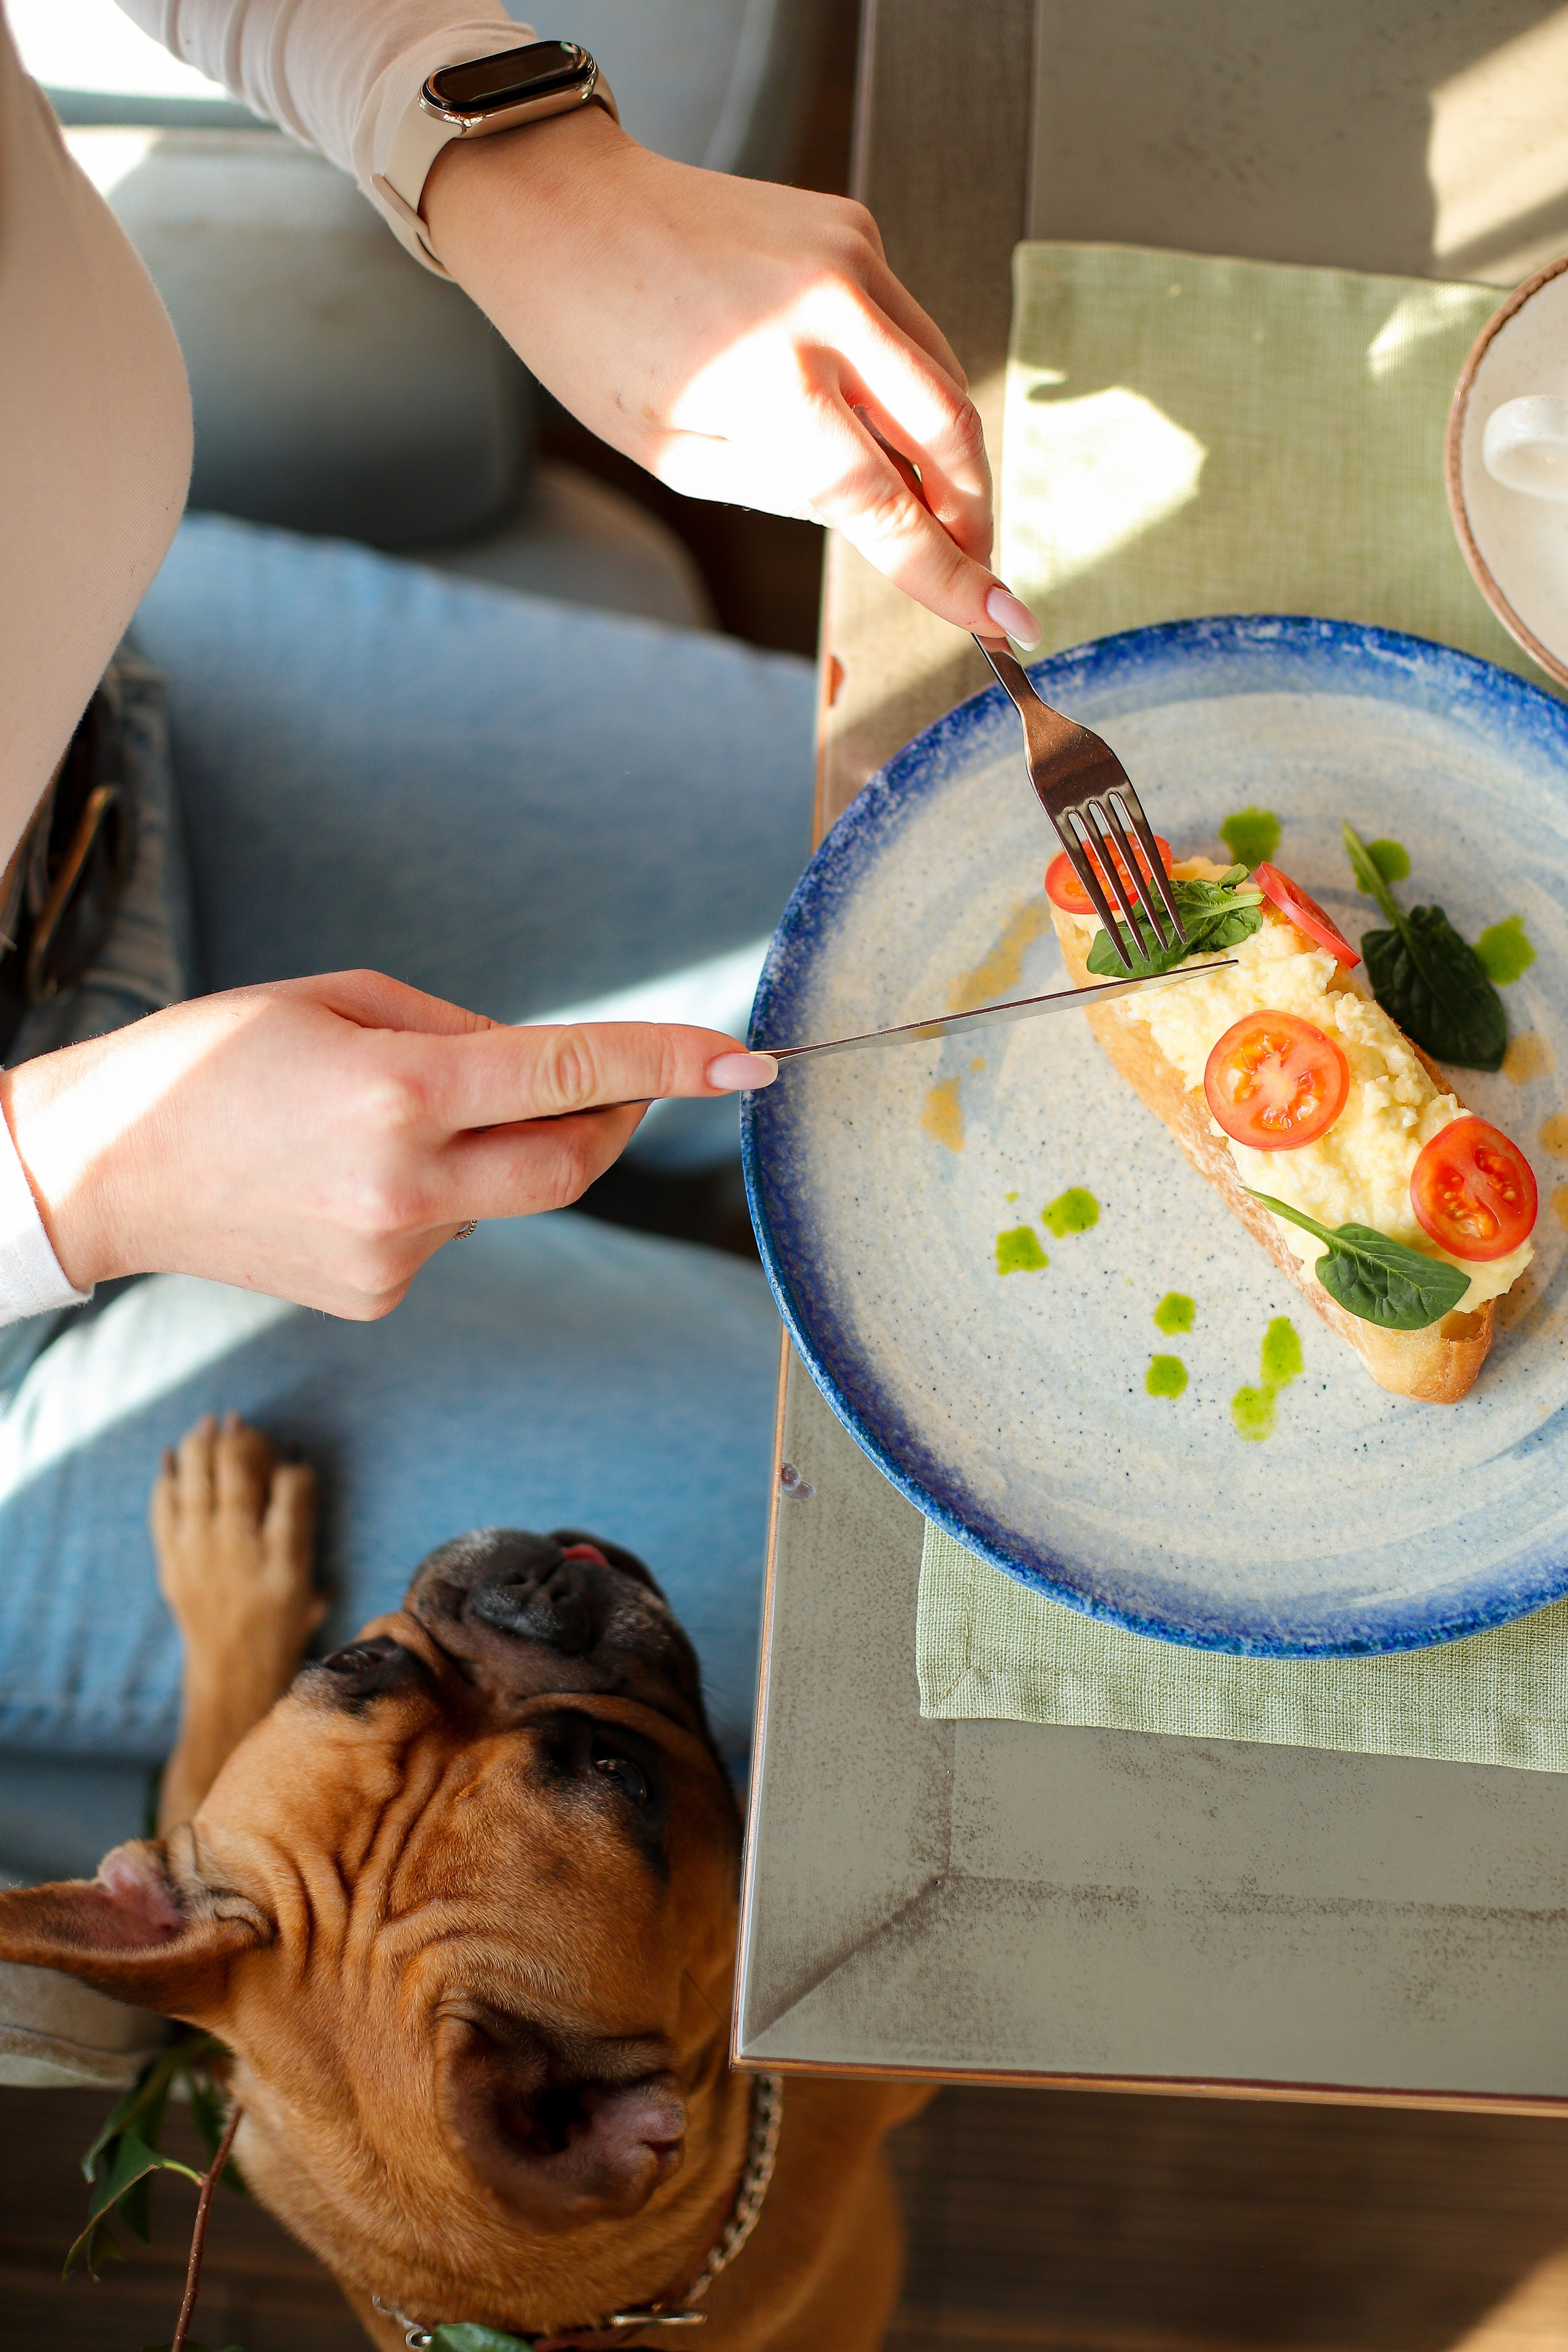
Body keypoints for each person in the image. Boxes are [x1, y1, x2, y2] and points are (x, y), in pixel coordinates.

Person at [0, 0, 1039, 1845]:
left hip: (144, 736)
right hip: (29, 1357)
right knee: (996, 1537)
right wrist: (69, 1183)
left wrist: (494, 146)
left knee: (980, 882)